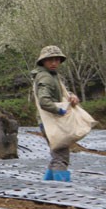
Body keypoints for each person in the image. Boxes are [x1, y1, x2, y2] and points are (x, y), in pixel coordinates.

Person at [31, 45, 80, 181]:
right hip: (51, 122)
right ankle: (62, 192)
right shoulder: (46, 78)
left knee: (57, 155)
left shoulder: (51, 76)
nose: (54, 63)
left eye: (57, 60)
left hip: (49, 122)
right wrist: (61, 110)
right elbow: (44, 101)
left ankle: (47, 188)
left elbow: (58, 93)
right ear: (43, 62)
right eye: (50, 60)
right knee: (61, 156)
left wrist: (70, 95)